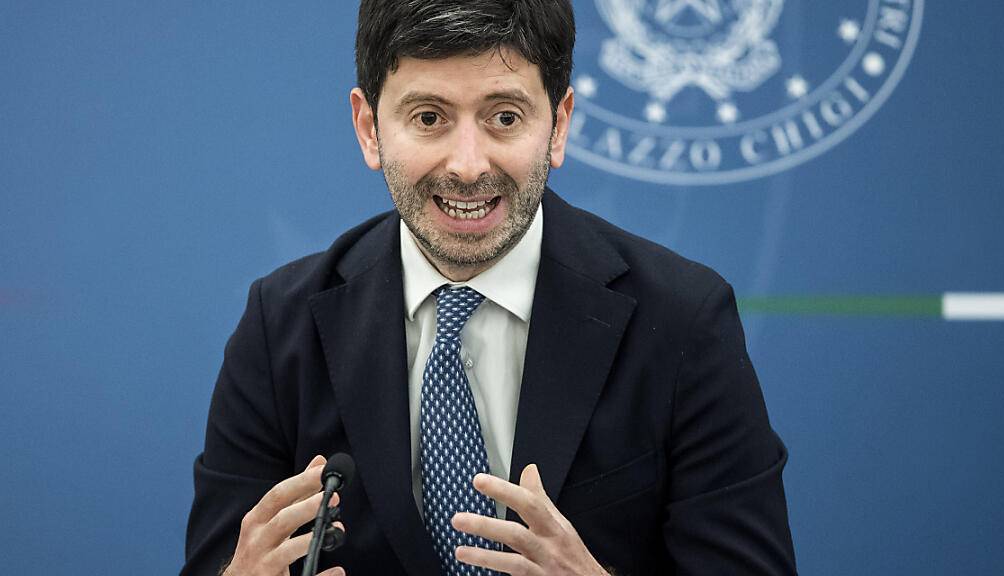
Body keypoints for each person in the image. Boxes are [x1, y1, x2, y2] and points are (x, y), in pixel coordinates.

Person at [183, 1, 797, 575]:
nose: (468, 165)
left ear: (558, 125)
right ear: (369, 128)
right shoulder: (278, 325)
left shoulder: (683, 319)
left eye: (504, 117)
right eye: (429, 118)